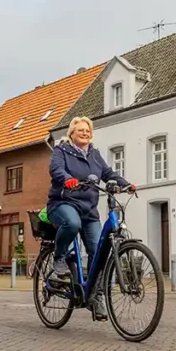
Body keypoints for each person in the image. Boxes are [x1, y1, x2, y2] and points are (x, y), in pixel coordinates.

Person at [45, 116, 134, 321]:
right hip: (63, 203)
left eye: (87, 130)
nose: (84, 133)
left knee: (98, 250)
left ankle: (95, 296)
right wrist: (67, 180)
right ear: (71, 134)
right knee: (72, 223)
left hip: (89, 210)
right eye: (80, 130)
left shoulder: (94, 154)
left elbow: (108, 172)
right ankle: (59, 258)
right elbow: (55, 169)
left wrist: (126, 184)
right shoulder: (62, 150)